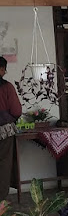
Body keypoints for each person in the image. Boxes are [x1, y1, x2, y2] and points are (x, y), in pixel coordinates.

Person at [0, 56, 22, 200]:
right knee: (3, 164)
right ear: (1, 69)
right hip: (3, 131)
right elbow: (16, 111)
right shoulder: (6, 87)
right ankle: (1, 200)